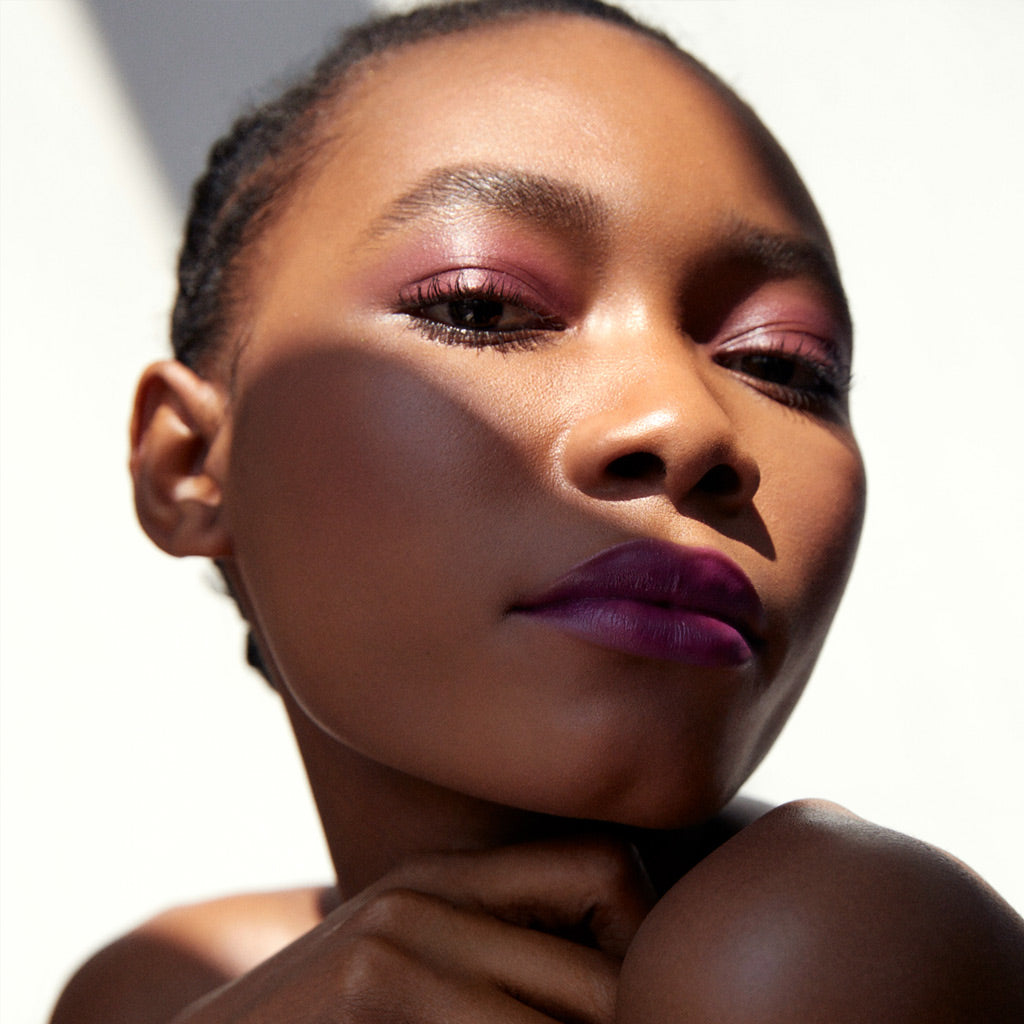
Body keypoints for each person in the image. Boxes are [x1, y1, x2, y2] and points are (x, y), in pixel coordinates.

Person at [50, 1, 1024, 1021]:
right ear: (190, 465)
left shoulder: (825, 948)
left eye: (780, 364)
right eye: (479, 307)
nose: (687, 423)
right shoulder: (164, 991)